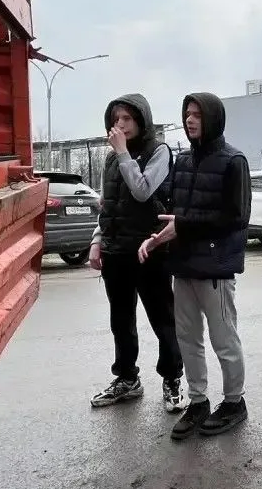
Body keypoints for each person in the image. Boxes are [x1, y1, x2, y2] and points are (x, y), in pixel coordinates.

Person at [139, 93, 252, 440]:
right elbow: (174, 212)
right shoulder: (184, 160)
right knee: (187, 338)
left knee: (224, 339)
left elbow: (237, 217)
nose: (189, 120)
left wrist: (184, 225)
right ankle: (198, 401)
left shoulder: (234, 161)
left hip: (215, 268)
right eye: (187, 113)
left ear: (213, 118)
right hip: (183, 265)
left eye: (197, 115)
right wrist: (155, 238)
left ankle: (234, 402)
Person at [88, 94, 186, 413]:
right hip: (116, 252)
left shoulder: (158, 151)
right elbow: (108, 205)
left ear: (142, 120)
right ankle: (127, 379)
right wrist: (96, 241)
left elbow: (142, 191)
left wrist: (123, 154)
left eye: (127, 119)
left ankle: (172, 378)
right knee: (121, 321)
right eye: (116, 119)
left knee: (163, 320)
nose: (120, 125)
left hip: (149, 250)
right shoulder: (110, 159)